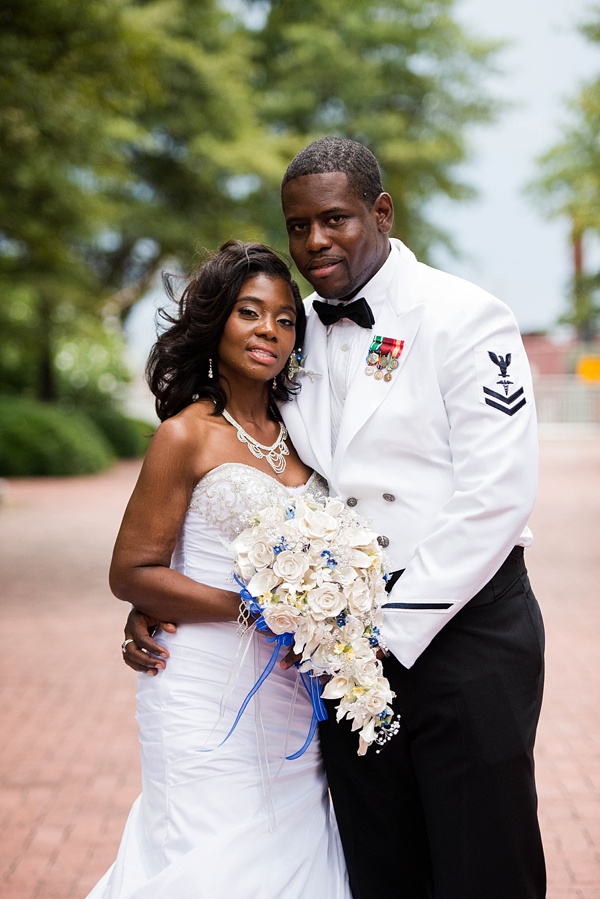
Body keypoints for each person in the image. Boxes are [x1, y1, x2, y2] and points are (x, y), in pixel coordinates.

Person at [124, 138, 546, 898]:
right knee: (378, 865)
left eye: (335, 220)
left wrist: (383, 631)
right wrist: (169, 590)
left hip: (463, 632)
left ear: (381, 213)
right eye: (299, 226)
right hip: (335, 654)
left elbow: (497, 494)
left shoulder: (465, 316)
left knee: (484, 863)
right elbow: (247, 461)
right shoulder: (296, 327)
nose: (315, 241)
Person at [87, 240, 351, 899]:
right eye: (249, 312)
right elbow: (132, 570)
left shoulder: (305, 434)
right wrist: (260, 609)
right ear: (217, 322)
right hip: (200, 687)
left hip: (290, 694)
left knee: (291, 855)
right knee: (209, 860)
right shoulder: (186, 434)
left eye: (285, 319)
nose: (269, 331)